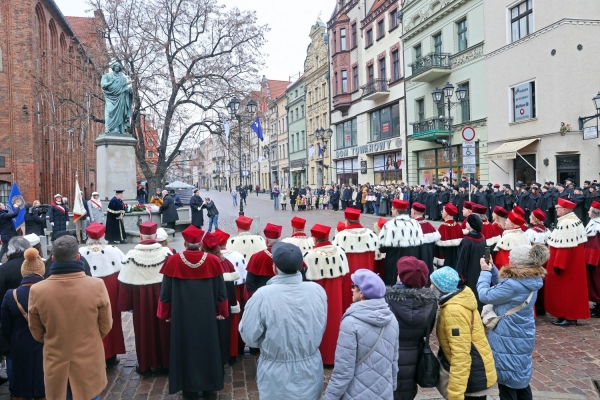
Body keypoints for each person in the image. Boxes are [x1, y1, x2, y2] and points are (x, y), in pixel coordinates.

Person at [240, 242, 327, 400]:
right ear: (301, 267)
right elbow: (321, 325)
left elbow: (249, 336)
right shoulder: (317, 291)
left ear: (274, 268)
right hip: (311, 368)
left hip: (276, 372)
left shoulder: (262, 296)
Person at [28, 235, 112, 400]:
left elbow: (36, 331)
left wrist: (55, 340)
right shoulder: (96, 285)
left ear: (53, 258)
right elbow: (106, 325)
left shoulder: (37, 290)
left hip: (55, 358)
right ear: (78, 257)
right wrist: (89, 338)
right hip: (89, 358)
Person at [158, 225, 228, 398]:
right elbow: (221, 293)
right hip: (207, 317)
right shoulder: (212, 261)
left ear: (184, 242)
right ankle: (209, 387)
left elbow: (165, 294)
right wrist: (222, 312)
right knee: (208, 349)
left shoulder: (173, 261)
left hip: (182, 318)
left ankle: (189, 389)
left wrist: (164, 314)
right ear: (200, 243)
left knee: (185, 350)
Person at [478, 244, 549, 400]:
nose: (509, 257)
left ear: (518, 261)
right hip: (522, 333)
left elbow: (485, 295)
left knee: (507, 381)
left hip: (508, 336)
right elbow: (506, 286)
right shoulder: (531, 278)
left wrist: (484, 272)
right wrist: (493, 269)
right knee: (520, 380)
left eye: (512, 256)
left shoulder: (513, 284)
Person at [324, 269, 399, 400]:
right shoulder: (392, 319)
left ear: (362, 293)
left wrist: (330, 397)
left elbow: (343, 371)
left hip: (355, 394)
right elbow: (394, 360)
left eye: (354, 286)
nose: (351, 289)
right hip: (384, 391)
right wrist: (392, 388)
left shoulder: (350, 322)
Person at [431, 266, 497, 400]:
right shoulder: (461, 298)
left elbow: (461, 356)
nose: (430, 287)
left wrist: (455, 395)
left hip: (473, 377)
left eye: (433, 284)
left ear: (441, 288)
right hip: (475, 372)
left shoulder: (453, 311)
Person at [119, 221, 171, 376]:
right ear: (156, 235)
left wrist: (128, 304)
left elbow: (125, 284)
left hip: (141, 301)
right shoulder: (167, 254)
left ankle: (147, 365)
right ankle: (167, 363)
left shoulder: (131, 256)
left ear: (141, 236)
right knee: (165, 330)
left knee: (144, 330)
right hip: (164, 299)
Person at [385, 257, 437, 400]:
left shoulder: (387, 299)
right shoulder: (431, 302)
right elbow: (429, 328)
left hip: (391, 352)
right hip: (415, 352)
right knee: (408, 389)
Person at [79, 222, 126, 369]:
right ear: (104, 235)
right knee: (110, 319)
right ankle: (111, 354)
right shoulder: (113, 250)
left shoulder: (81, 253)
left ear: (88, 236)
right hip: (110, 286)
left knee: (90, 321)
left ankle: (93, 355)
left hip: (87, 286)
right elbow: (123, 269)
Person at [1, 248, 46, 399]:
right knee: (43, 383)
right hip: (44, 342)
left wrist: (12, 342)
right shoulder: (50, 292)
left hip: (19, 342)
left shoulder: (11, 294)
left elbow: (6, 326)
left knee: (21, 384)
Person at [303, 224, 349, 365]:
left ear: (314, 240)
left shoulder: (309, 256)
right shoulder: (341, 252)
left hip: (317, 301)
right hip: (337, 298)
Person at [545, 197, 590, 326]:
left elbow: (565, 247)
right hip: (572, 265)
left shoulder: (567, 223)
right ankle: (565, 315)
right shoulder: (573, 220)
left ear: (565, 210)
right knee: (570, 291)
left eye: (558, 207)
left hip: (566, 266)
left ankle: (568, 316)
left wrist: (559, 264)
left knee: (566, 292)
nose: (556, 209)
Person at [201, 231, 239, 370]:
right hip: (223, 306)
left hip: (205, 307)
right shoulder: (226, 263)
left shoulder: (201, 264)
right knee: (222, 333)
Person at [333, 207, 378, 311]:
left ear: (347, 221)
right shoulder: (371, 234)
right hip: (368, 277)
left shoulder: (340, 236)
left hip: (348, 279)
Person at [214, 229, 246, 366]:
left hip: (215, 291)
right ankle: (234, 350)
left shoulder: (209, 257)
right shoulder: (237, 256)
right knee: (234, 320)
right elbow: (244, 277)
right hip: (235, 290)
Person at [379, 199, 424, 286]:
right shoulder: (415, 223)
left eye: (392, 209)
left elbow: (381, 248)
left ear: (395, 211)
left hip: (394, 264)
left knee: (392, 288)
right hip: (412, 262)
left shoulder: (390, 225)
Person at [455, 214, 487, 310]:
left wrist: (459, 275)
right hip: (480, 271)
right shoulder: (482, 237)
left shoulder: (467, 240)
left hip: (469, 274)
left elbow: (461, 260)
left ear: (471, 225)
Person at [434, 203, 463, 270]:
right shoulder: (458, 226)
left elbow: (438, 248)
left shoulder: (442, 227)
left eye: (443, 211)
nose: (441, 213)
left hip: (445, 260)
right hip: (456, 259)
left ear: (446, 213)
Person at [586, 201, 600, 317]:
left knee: (596, 282)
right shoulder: (594, 223)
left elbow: (594, 246)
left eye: (590, 210)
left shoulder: (596, 226)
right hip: (596, 259)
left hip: (595, 261)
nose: (588, 212)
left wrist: (590, 261)